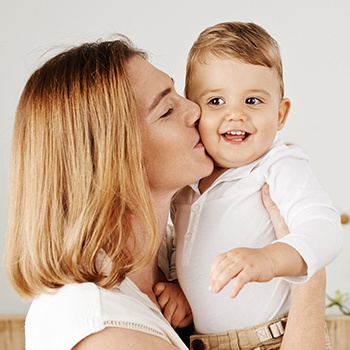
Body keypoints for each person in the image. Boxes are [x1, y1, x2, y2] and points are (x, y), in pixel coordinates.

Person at [4, 34, 329, 350]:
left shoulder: (170, 254)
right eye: (167, 110)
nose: (195, 110)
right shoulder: (102, 331)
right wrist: (310, 281)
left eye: (178, 94)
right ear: (117, 156)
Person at [155, 22, 341, 349]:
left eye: (253, 101)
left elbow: (324, 228)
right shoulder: (187, 184)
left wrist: (269, 259)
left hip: (273, 339)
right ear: (193, 111)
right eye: (216, 102)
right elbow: (189, 251)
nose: (236, 115)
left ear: (280, 114)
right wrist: (181, 290)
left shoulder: (277, 165)